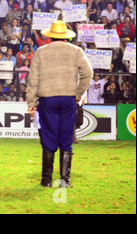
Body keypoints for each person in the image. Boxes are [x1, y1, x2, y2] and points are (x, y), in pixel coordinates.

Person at [26, 20, 93, 188]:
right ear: (65, 37)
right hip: (68, 99)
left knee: (48, 137)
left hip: (47, 99)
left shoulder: (41, 52)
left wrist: (31, 102)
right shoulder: (76, 51)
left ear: (50, 37)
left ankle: (47, 180)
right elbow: (88, 73)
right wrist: (77, 94)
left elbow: (33, 80)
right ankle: (64, 180)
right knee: (66, 138)